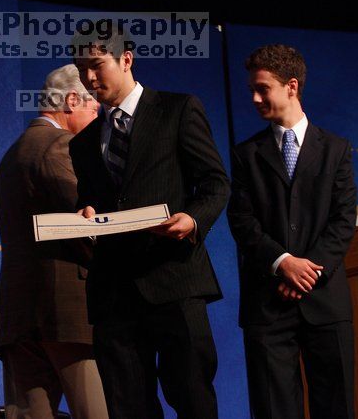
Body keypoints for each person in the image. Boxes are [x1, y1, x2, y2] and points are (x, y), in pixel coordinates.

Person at [69, 24, 230, 419]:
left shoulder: (178, 110)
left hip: (173, 276)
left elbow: (215, 182)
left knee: (193, 398)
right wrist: (84, 215)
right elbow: (90, 201)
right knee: (128, 408)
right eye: (81, 69)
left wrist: (192, 220)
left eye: (96, 65)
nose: (90, 78)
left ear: (126, 59)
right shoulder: (82, 143)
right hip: (113, 294)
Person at [227, 44, 356, 419]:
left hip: (326, 303)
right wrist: (283, 263)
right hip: (267, 309)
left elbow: (343, 219)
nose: (254, 97)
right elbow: (242, 222)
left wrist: (307, 269)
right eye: (252, 88)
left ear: (292, 87)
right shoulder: (245, 155)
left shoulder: (336, 149)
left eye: (262, 88)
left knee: (337, 408)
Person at [0, 64, 108, 419]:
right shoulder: (60, 146)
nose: (97, 121)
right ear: (72, 100)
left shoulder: (11, 155)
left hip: (19, 316)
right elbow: (84, 226)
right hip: (65, 316)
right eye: (95, 111)